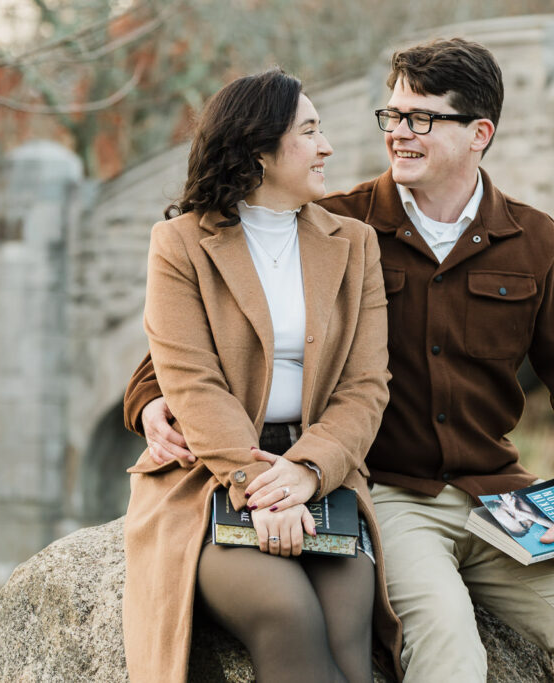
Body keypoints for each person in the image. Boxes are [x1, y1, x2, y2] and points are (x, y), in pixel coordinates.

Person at [125, 40, 554, 682]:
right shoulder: (334, 223)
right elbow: (208, 337)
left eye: (421, 119)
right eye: (392, 116)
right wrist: (147, 398)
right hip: (391, 493)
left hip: (500, 495)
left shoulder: (533, 239)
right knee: (448, 654)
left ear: (479, 133)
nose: (399, 134)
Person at [121, 68, 403, 683]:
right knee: (286, 616)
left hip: (322, 474)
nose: (327, 146)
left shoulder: (354, 244)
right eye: (309, 131)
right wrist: (256, 485)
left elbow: (365, 385)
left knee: (350, 641)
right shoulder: (179, 244)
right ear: (258, 149)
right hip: (210, 473)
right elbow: (190, 380)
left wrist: (304, 471)